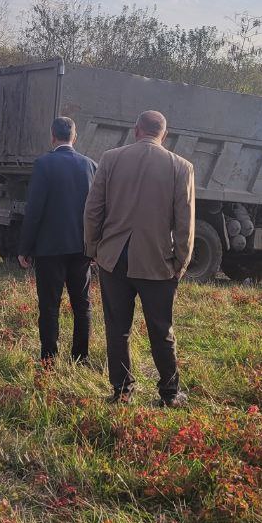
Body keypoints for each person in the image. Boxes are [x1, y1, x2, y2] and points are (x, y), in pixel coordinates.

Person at [84, 110, 195, 407]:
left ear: (136, 130)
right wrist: (179, 263)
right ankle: (170, 394)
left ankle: (122, 392)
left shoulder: (110, 158)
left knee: (117, 329)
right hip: (158, 262)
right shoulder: (181, 167)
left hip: (114, 258)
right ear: (164, 135)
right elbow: (185, 223)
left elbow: (93, 209)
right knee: (161, 329)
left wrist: (94, 248)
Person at [17, 117, 98, 364]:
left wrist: (25, 247)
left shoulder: (43, 164)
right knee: (81, 305)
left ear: (52, 136)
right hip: (81, 248)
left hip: (49, 249)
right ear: (75, 137)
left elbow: (35, 210)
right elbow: (96, 211)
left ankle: (49, 358)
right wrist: (95, 246)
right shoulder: (91, 166)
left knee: (49, 306)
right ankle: (80, 357)